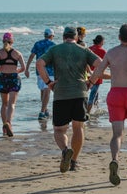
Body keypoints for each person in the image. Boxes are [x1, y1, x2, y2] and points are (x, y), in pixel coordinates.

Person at [89, 24, 127, 186]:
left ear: (118, 37)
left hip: (115, 94)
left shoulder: (111, 53)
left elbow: (97, 72)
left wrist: (90, 83)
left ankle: (115, 159)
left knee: (117, 134)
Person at [36, 27, 102, 173]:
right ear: (76, 37)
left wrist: (48, 83)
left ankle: (65, 150)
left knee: (59, 130)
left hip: (61, 94)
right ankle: (74, 162)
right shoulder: (83, 50)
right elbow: (100, 64)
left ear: (63, 37)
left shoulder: (55, 50)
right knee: (78, 128)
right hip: (80, 93)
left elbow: (39, 63)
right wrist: (91, 81)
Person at [0, 33, 26, 137]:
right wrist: (17, 71)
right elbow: (23, 68)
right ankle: (9, 123)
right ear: (12, 41)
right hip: (14, 78)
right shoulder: (17, 53)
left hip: (3, 78)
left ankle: (4, 126)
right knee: (12, 104)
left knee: (4, 104)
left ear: (3, 41)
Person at [25, 28, 56, 120]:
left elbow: (31, 56)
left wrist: (27, 68)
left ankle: (45, 109)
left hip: (39, 70)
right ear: (51, 36)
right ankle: (42, 111)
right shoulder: (53, 45)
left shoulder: (37, 44)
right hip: (50, 71)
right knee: (47, 90)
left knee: (43, 90)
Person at [87, 34, 108, 114]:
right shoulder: (102, 51)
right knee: (93, 94)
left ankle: (95, 109)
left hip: (87, 74)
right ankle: (88, 113)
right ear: (101, 42)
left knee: (94, 93)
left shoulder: (89, 48)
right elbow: (107, 63)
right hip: (97, 75)